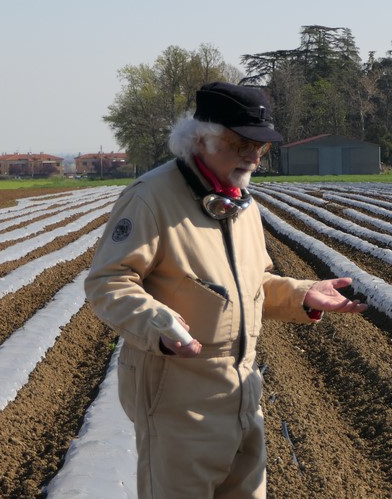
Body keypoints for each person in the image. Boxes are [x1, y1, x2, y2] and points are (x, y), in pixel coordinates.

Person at [85, 81, 367, 499]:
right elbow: (107, 282)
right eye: (241, 144)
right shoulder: (152, 199)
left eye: (261, 147)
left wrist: (301, 293)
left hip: (241, 393)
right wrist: (157, 322)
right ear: (201, 139)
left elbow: (249, 285)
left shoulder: (241, 204)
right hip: (177, 399)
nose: (253, 156)